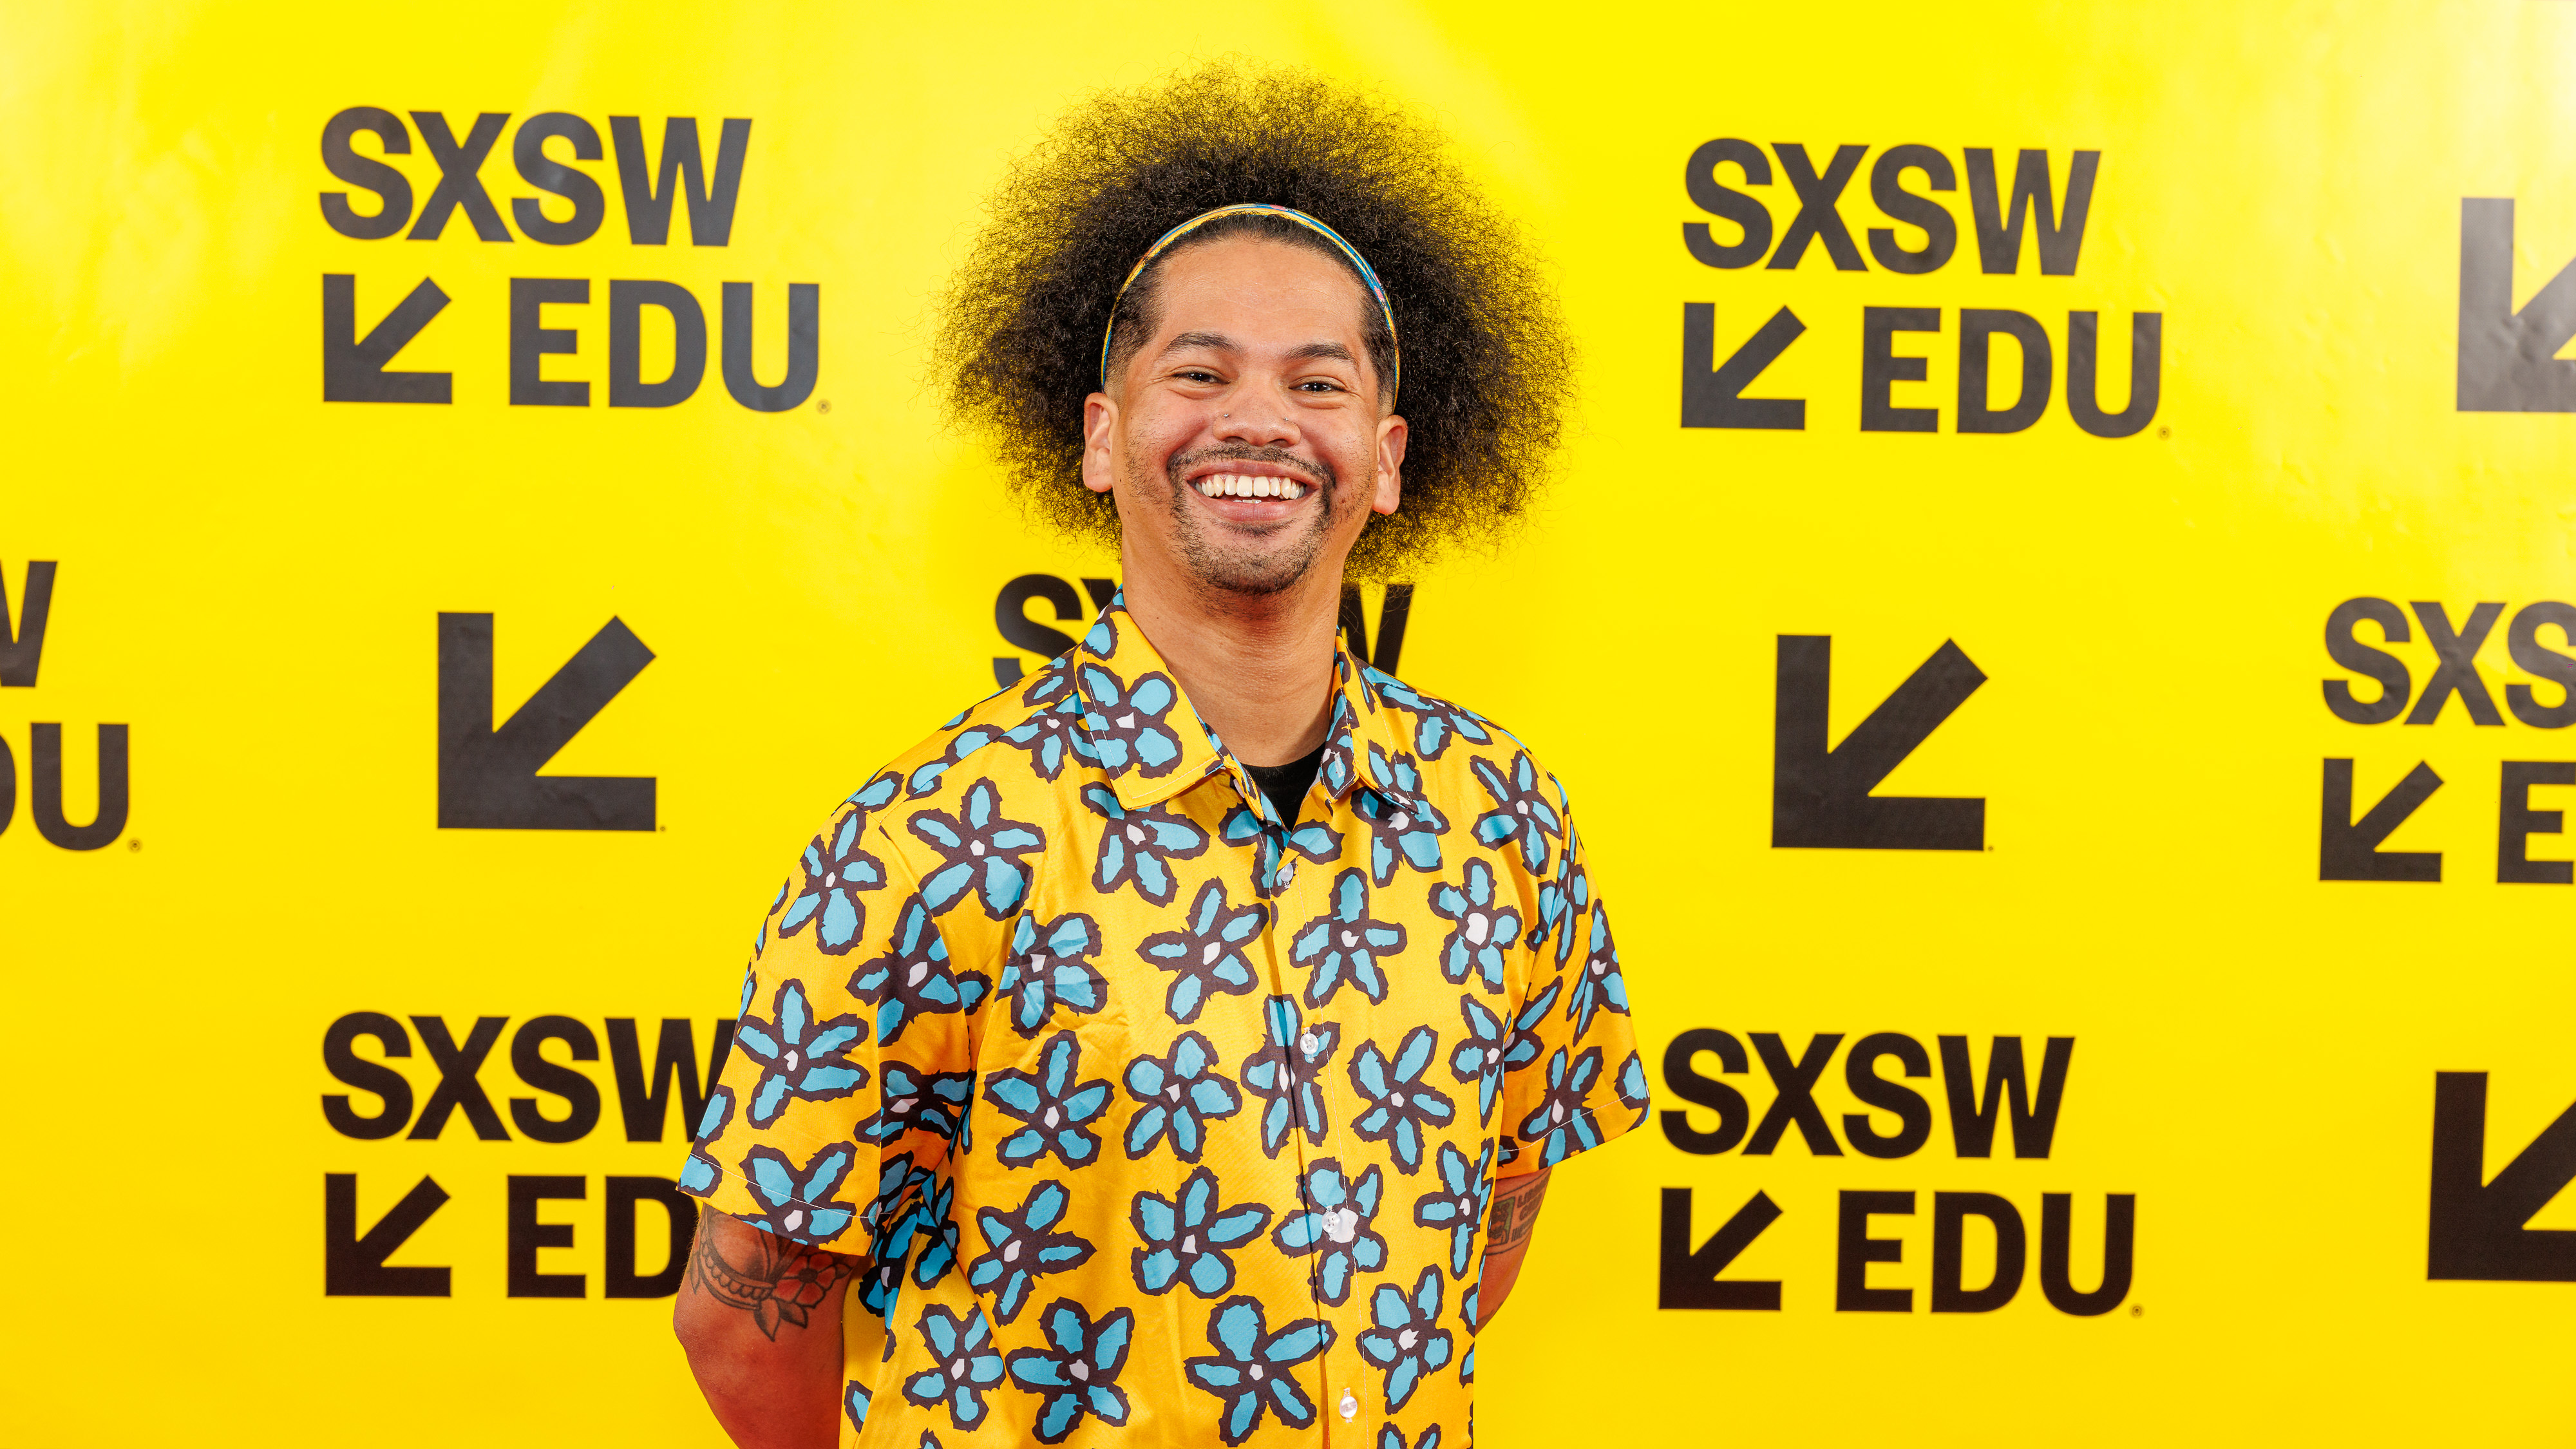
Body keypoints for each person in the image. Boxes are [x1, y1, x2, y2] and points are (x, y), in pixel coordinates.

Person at [672, 61, 1643, 1448]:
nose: (1257, 420)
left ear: (1382, 460)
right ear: (1101, 439)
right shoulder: (938, 837)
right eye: (1198, 372)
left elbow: (1480, 1224)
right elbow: (739, 1315)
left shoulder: (1501, 817)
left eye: (1317, 381)